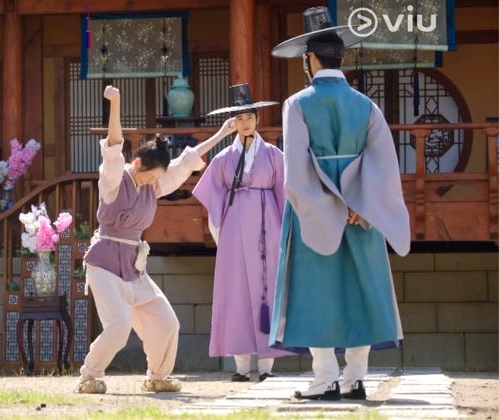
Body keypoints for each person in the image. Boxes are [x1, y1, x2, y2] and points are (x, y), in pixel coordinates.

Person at [269, 6, 410, 401]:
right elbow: (384, 165)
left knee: (316, 293)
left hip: (315, 215)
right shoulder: (367, 106)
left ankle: (325, 377)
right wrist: (360, 207)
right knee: (361, 289)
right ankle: (356, 377)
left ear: (309, 60)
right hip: (362, 212)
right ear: (341, 58)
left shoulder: (297, 104)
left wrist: (323, 208)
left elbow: (295, 174)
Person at [76, 85, 236, 394]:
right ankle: (89, 376)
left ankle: (158, 376)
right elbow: (113, 145)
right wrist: (116, 103)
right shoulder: (113, 181)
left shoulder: (152, 186)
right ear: (137, 165)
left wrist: (222, 134)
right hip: (105, 264)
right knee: (119, 326)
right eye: (150, 176)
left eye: (156, 178)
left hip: (134, 267)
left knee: (166, 322)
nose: (153, 183)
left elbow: (185, 162)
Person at [192, 83, 293, 382]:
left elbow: (284, 196)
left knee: (267, 290)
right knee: (235, 292)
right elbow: (212, 195)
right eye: (240, 118)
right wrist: (220, 230)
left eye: (250, 116)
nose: (246, 122)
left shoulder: (274, 155)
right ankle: (240, 366)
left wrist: (285, 234)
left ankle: (266, 367)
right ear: (232, 123)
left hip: (267, 228)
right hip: (235, 231)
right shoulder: (223, 160)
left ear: (257, 119)